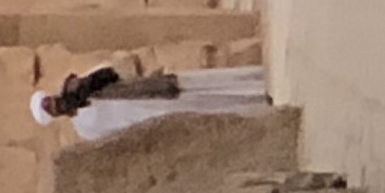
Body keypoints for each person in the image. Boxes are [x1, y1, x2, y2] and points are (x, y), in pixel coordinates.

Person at [30, 63, 275, 140]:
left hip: (150, 90)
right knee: (206, 109)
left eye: (50, 101)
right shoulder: (84, 129)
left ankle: (256, 82)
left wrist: (86, 87)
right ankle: (256, 104)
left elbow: (110, 72)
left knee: (203, 85)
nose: (54, 105)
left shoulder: (78, 85)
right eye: (51, 109)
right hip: (152, 116)